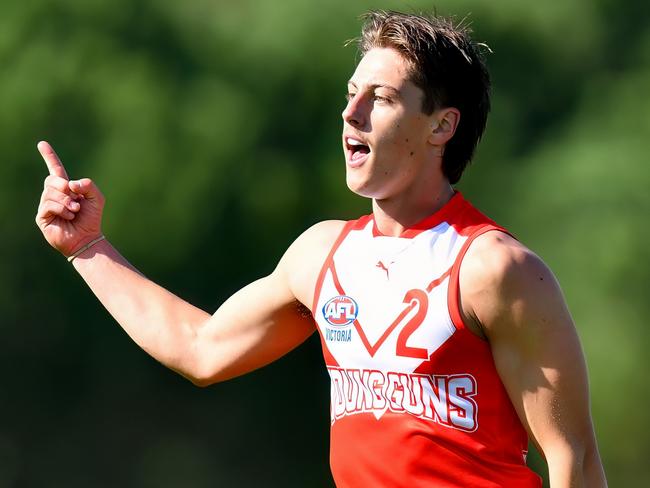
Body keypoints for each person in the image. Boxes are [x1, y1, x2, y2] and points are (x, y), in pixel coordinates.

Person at [35, 10, 607, 488]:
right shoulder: (322, 254)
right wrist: (87, 248)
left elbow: (573, 460)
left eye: (379, 98)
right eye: (350, 92)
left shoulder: (494, 268)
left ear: (441, 126)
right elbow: (200, 349)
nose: (350, 112)